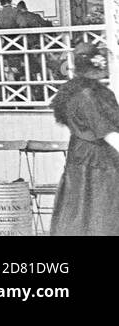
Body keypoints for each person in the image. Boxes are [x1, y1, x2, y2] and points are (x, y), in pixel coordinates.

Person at [50, 43, 119, 236]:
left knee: (79, 210)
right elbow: (108, 133)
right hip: (100, 159)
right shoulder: (90, 95)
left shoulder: (72, 92)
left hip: (79, 156)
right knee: (100, 212)